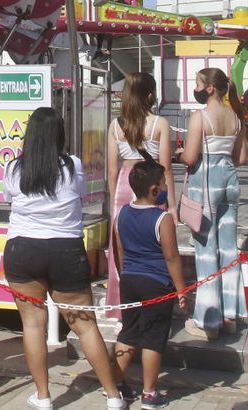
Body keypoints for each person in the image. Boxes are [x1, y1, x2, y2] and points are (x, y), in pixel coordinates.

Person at [3, 107, 125, 410]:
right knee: (85, 325)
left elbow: (9, 198)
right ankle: (112, 395)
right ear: (60, 135)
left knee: (33, 326)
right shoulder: (73, 166)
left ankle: (43, 396)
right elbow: (78, 194)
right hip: (66, 250)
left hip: (23, 249)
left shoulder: (14, 168)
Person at [174, 67, 248, 336]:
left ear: (210, 88)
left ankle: (209, 319)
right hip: (230, 180)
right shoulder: (237, 118)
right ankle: (232, 314)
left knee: (206, 250)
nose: (195, 88)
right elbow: (241, 159)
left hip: (206, 181)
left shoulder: (200, 117)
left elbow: (192, 157)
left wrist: (180, 153)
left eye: (197, 83)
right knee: (229, 249)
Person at [111, 160, 191, 408]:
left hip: (130, 280)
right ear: (155, 190)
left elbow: (119, 250)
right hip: (157, 283)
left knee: (128, 332)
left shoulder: (122, 213)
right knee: (153, 338)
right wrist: (181, 289)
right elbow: (171, 256)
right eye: (165, 183)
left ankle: (114, 385)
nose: (167, 187)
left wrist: (126, 275)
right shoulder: (162, 219)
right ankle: (149, 392)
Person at [105, 73, 175, 318]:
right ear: (150, 95)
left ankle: (121, 305)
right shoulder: (160, 124)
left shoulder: (116, 125)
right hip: (151, 183)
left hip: (126, 181)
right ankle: (156, 298)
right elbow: (165, 167)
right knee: (156, 242)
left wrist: (114, 206)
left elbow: (112, 170)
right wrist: (172, 204)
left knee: (122, 245)